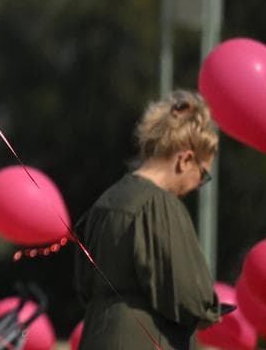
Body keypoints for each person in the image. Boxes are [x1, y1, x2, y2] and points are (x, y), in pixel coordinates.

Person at [73, 90, 221, 350]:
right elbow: (190, 297)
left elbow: (83, 286)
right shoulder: (160, 205)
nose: (199, 185)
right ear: (185, 159)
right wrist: (212, 309)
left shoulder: (105, 202)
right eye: (203, 174)